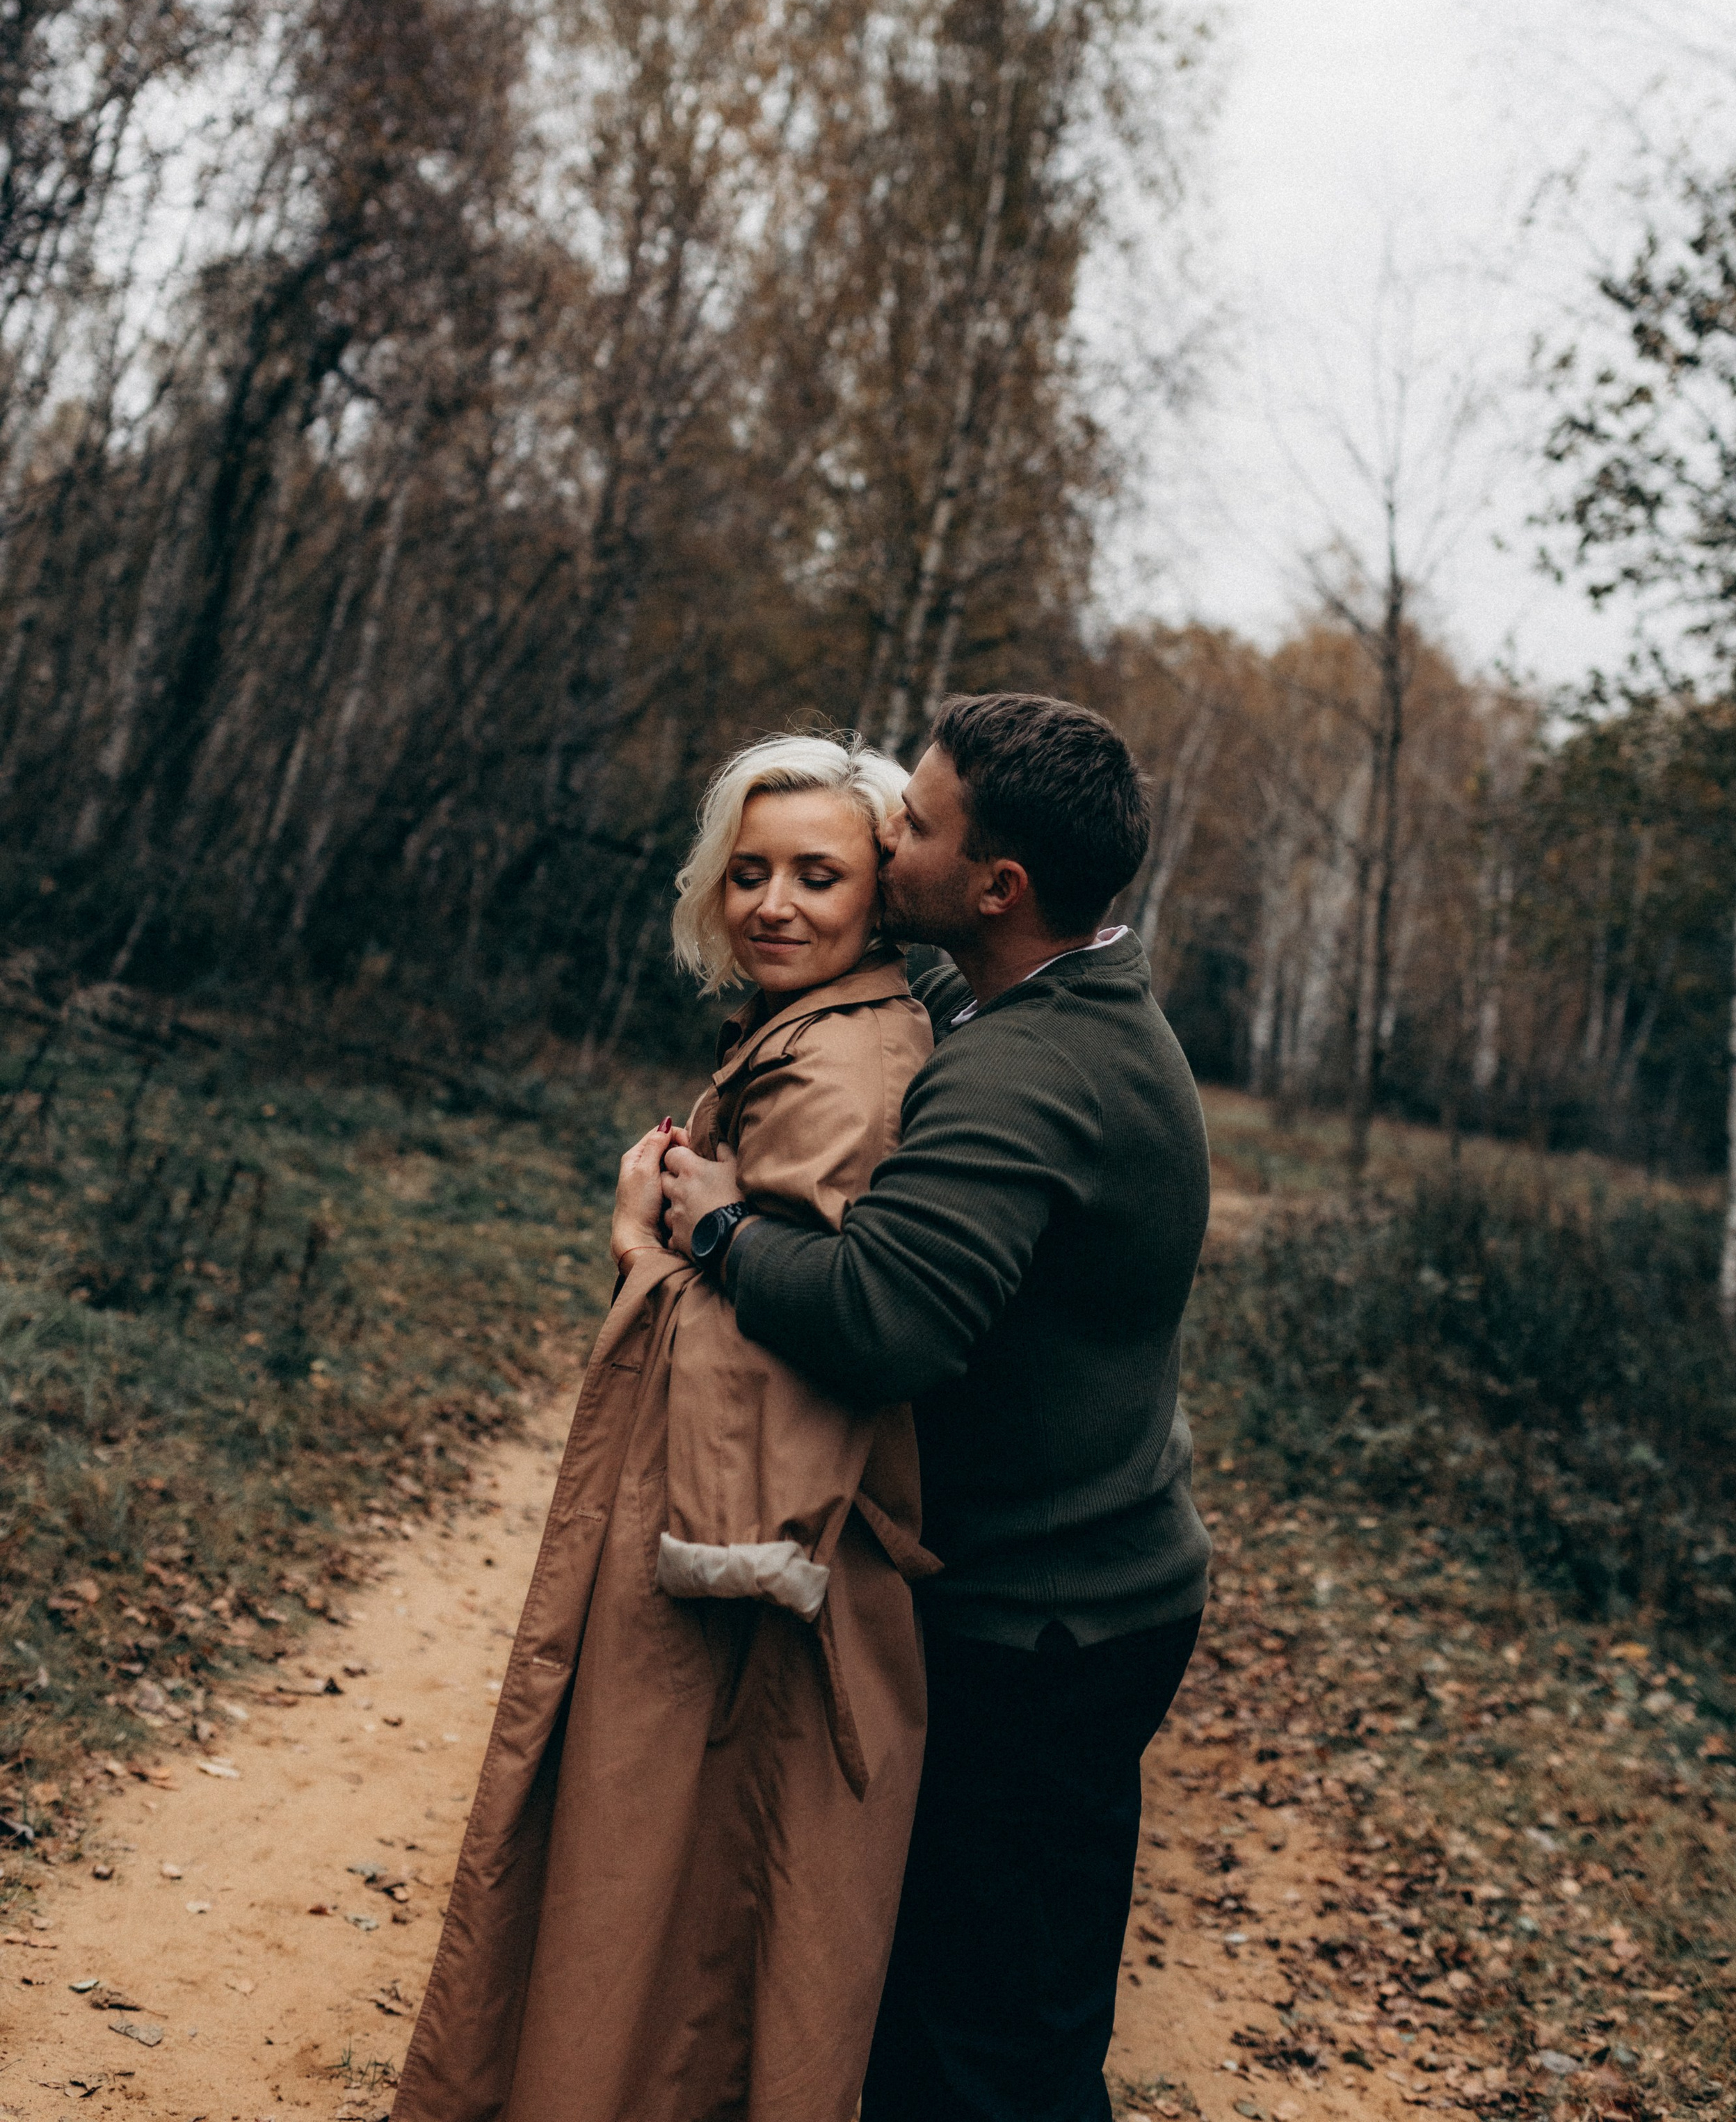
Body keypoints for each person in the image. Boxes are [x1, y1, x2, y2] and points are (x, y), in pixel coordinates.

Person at [663, 691, 1213, 2122]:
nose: (882, 829)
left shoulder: (1025, 1070)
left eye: (910, 819)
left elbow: (883, 1319)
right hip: (1091, 1594)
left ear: (995, 885)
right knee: (978, 2014)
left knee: (984, 2054)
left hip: (1044, 1629)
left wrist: (720, 1228)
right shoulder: (1050, 992)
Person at [393, 734, 935, 2122]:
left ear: (882, 889)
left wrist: (650, 1237)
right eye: (747, 872)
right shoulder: (802, 1037)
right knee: (650, 1879)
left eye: (818, 874)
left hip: (737, 1546)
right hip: (708, 1517)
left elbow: (810, 1340)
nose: (774, 903)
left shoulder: (842, 1067)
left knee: (669, 1883)